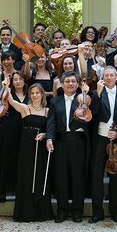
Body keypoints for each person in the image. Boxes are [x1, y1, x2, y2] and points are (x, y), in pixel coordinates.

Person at [45, 71, 94, 223]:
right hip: (60, 142)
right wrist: (49, 138)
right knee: (61, 177)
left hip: (78, 142)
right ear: (62, 84)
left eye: (73, 81)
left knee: (78, 176)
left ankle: (77, 211)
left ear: (78, 84)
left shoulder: (83, 99)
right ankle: (62, 210)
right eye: (67, 81)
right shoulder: (55, 101)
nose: (70, 84)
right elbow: (51, 123)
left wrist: (86, 93)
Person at [5, 83, 53, 222]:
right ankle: (26, 212)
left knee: (40, 176)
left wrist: (45, 135)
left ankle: (41, 212)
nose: (35, 95)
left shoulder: (48, 111)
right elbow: (10, 100)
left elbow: (51, 129)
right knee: (26, 176)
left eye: (37, 93)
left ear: (42, 94)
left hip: (41, 146)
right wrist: (6, 86)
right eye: (32, 93)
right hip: (26, 145)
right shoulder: (25, 108)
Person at [89, 67, 117, 223]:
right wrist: (98, 94)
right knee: (96, 174)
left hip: (116, 137)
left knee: (116, 173)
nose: (109, 78)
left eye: (112, 75)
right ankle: (97, 212)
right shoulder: (96, 93)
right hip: (100, 137)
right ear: (102, 78)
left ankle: (116, 211)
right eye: (106, 75)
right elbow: (93, 113)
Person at [0, 71, 27, 202]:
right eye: (15, 79)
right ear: (12, 82)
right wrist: (5, 87)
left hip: (24, 129)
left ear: (24, 81)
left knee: (21, 160)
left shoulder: (30, 94)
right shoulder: (7, 92)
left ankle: (20, 191)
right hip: (9, 128)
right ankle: (2, 192)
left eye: (20, 79)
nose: (18, 81)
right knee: (6, 158)